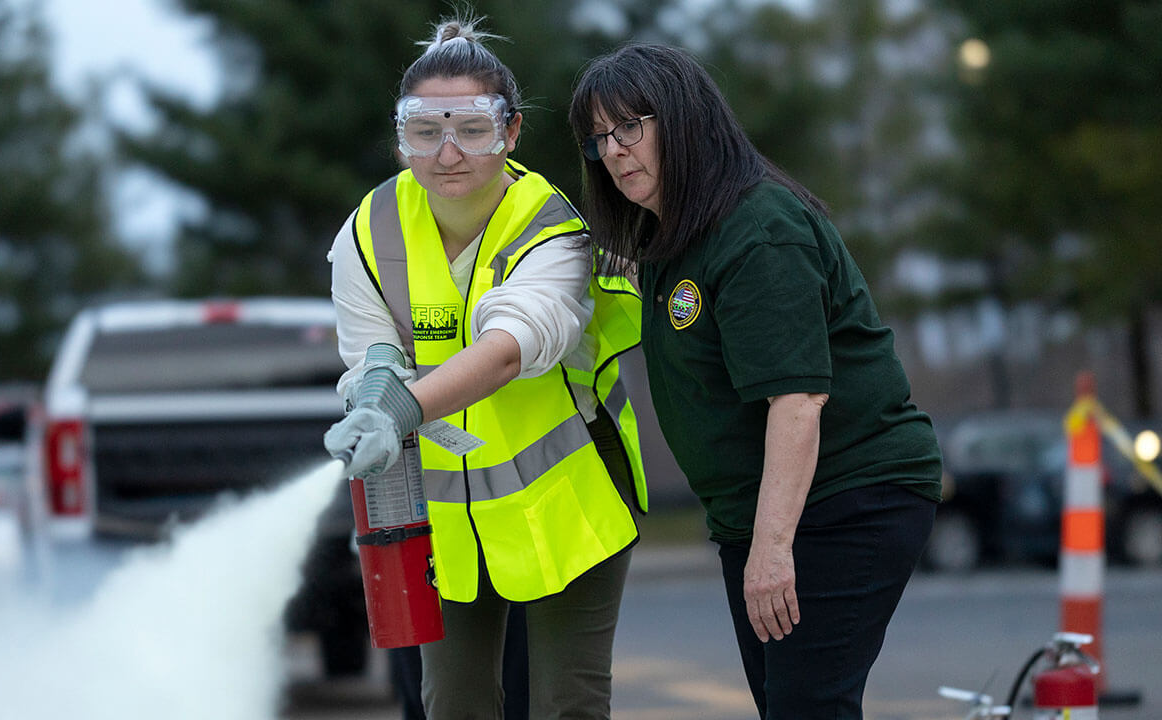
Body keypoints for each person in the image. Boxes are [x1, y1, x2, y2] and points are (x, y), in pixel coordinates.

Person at [568, 43, 943, 720]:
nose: (615, 151)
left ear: (683, 120)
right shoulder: (674, 240)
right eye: (599, 139)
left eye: (631, 126)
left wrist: (771, 552)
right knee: (787, 707)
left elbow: (797, 401)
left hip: (844, 500)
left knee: (806, 709)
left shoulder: (757, 229)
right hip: (761, 516)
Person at [323, 14, 648, 720]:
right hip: (443, 511)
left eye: (472, 129)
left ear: (511, 132)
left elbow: (509, 350)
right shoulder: (369, 229)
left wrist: (400, 409)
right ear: (398, 133)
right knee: (453, 705)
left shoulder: (551, 229)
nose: (447, 154)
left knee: (568, 704)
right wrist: (374, 390)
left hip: (570, 501)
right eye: (423, 132)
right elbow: (370, 350)